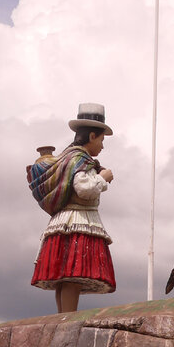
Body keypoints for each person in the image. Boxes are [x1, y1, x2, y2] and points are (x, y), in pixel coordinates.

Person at [30, 104, 117, 313]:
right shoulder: (80, 159)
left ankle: (63, 316)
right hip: (77, 221)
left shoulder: (68, 158)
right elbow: (83, 188)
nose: (102, 147)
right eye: (101, 141)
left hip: (63, 221)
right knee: (72, 275)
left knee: (65, 277)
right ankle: (67, 319)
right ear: (92, 136)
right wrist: (102, 179)